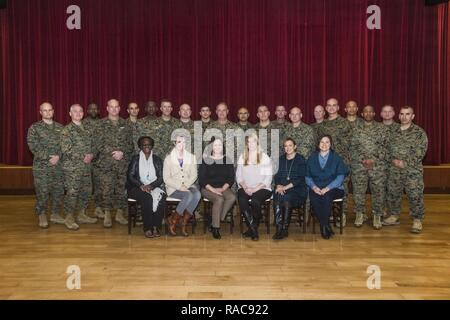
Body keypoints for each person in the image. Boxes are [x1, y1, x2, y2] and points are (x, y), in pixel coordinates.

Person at [383, 106, 428, 233]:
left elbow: (421, 151)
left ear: (412, 116)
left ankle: (417, 220)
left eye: (407, 114)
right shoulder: (392, 131)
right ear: (398, 116)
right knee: (393, 194)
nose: (404, 117)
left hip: (412, 171)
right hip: (394, 169)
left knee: (415, 195)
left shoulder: (419, 133)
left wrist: (405, 163)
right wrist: (392, 160)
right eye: (402, 114)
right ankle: (394, 215)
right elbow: (384, 148)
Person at [94, 99, 134, 228]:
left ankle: (119, 213)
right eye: (111, 107)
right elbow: (98, 144)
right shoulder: (100, 124)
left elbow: (130, 145)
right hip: (106, 163)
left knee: (121, 189)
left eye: (116, 107)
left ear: (119, 108)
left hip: (122, 163)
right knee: (107, 189)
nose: (114, 109)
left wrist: (122, 152)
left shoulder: (126, 124)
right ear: (107, 108)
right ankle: (107, 214)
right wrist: (113, 152)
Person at [27, 102, 65, 228]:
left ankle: (55, 214)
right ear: (40, 112)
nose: (48, 112)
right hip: (42, 167)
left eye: (50, 110)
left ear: (53, 111)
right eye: (45, 110)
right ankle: (41, 213)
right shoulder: (35, 128)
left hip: (58, 166)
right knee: (42, 191)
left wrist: (58, 156)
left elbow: (65, 145)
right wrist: (49, 157)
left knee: (58, 191)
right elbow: (33, 146)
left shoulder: (61, 127)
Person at [349, 105, 388, 229]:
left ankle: (377, 215)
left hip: (377, 166)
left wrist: (373, 160)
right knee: (358, 191)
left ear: (374, 113)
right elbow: (352, 147)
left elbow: (386, 147)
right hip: (359, 166)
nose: (368, 113)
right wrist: (363, 160)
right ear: (362, 114)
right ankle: (359, 213)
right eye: (366, 111)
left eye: (371, 111)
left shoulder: (382, 128)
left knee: (378, 191)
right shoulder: (355, 128)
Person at [317, 98, 352, 227]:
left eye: (334, 105)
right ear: (326, 108)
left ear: (338, 107)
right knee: (327, 187)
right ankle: (330, 212)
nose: (331, 108)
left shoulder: (345, 123)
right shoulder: (323, 125)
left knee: (343, 187)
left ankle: (342, 213)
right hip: (326, 163)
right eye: (329, 106)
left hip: (341, 162)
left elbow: (349, 144)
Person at [306, 135, 349, 239]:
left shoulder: (336, 158)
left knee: (326, 197)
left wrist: (327, 188)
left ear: (331, 144)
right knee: (314, 197)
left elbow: (340, 177)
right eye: (322, 142)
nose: (324, 144)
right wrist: (314, 187)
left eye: (327, 142)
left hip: (334, 188)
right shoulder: (312, 158)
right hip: (316, 187)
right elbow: (307, 176)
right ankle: (326, 225)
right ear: (318, 144)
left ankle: (323, 226)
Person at [126, 136, 166, 238]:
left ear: (152, 146)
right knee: (147, 198)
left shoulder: (157, 159)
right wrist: (141, 186)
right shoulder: (135, 159)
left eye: (148, 144)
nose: (146, 146)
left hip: (153, 186)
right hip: (136, 188)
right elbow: (130, 175)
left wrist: (152, 186)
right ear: (140, 146)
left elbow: (161, 177)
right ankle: (148, 228)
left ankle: (156, 227)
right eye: (144, 145)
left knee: (161, 197)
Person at [236, 133, 273, 241]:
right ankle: (253, 229)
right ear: (246, 144)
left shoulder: (264, 157)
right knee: (242, 199)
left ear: (257, 143)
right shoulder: (243, 156)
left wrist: (255, 189)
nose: (251, 144)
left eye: (254, 141)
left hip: (262, 188)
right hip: (245, 187)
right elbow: (238, 176)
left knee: (255, 201)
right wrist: (245, 187)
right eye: (249, 141)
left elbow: (268, 178)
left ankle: (252, 228)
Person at [163, 134, 201, 237]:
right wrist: (180, 186)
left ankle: (183, 221)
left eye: (184, 142)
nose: (182, 144)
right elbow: (166, 178)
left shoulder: (191, 157)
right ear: (175, 143)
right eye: (179, 142)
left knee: (197, 194)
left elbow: (194, 175)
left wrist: (186, 185)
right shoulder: (168, 158)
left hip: (188, 186)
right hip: (174, 188)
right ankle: (173, 220)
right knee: (188, 195)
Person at [199, 138, 236, 239]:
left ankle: (216, 220)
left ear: (222, 146)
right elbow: (202, 179)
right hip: (208, 188)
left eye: (219, 145)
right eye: (215, 145)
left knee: (232, 197)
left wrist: (223, 188)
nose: (218, 147)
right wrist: (214, 190)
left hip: (223, 187)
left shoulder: (227, 160)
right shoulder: (206, 160)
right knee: (219, 199)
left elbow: (231, 178)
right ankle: (215, 228)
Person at [272, 138, 307, 240]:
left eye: (290, 145)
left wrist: (285, 187)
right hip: (282, 188)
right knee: (277, 195)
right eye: (285, 146)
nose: (287, 148)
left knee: (287, 197)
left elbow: (300, 179)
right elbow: (277, 176)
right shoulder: (281, 159)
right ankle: (279, 228)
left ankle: (285, 228)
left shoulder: (301, 159)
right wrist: (278, 185)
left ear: (295, 146)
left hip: (297, 190)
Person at [82, 102, 104, 219]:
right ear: (88, 111)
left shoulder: (102, 123)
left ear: (99, 111)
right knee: (85, 186)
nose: (93, 111)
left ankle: (98, 208)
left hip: (99, 160)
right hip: (85, 160)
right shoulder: (82, 123)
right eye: (91, 109)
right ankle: (83, 210)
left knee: (99, 186)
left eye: (95, 109)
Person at [380, 104, 400, 217]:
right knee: (380, 189)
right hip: (380, 165)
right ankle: (380, 210)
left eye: (389, 111)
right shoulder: (376, 127)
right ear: (381, 114)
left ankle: (394, 214)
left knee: (394, 190)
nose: (387, 114)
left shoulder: (399, 128)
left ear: (393, 113)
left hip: (395, 165)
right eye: (384, 111)